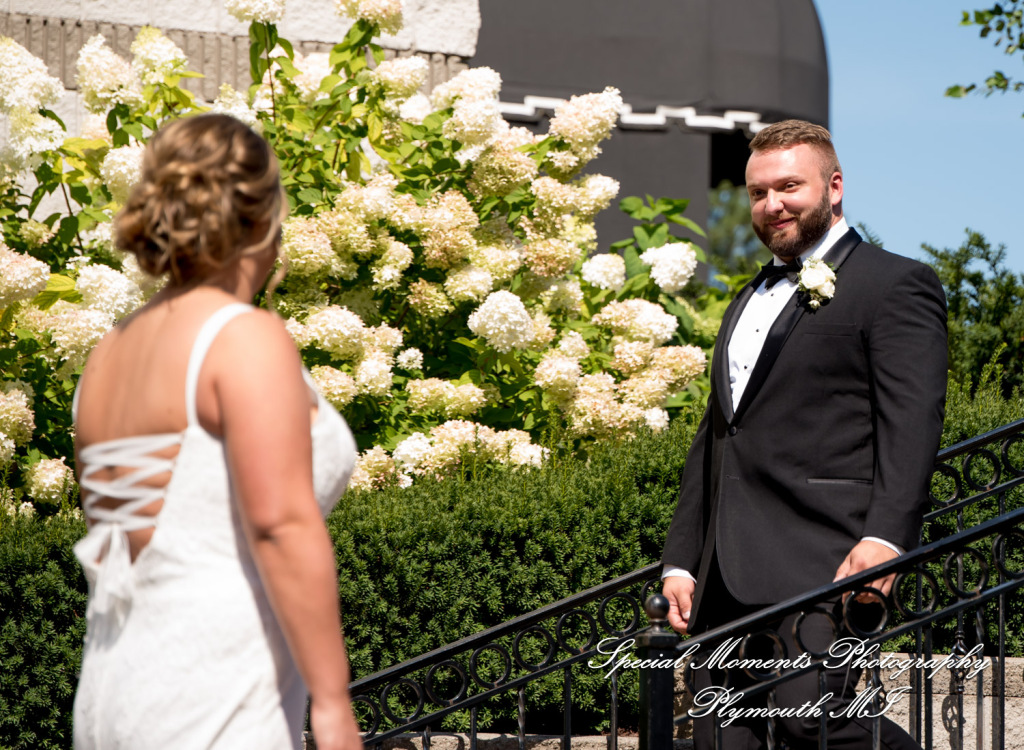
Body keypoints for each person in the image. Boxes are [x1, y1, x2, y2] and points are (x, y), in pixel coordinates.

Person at [71, 114, 363, 750]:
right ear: (262, 218)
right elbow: (279, 524)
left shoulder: (109, 352)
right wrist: (335, 706)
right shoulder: (243, 338)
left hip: (110, 692)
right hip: (213, 692)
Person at [660, 120, 947, 749]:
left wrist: (885, 539)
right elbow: (718, 436)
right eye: (758, 193)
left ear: (835, 186)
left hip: (821, 564)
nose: (772, 205)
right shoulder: (744, 296)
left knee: (822, 727)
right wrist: (683, 559)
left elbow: (912, 423)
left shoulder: (894, 284)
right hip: (720, 579)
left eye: (789, 186)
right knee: (717, 743)